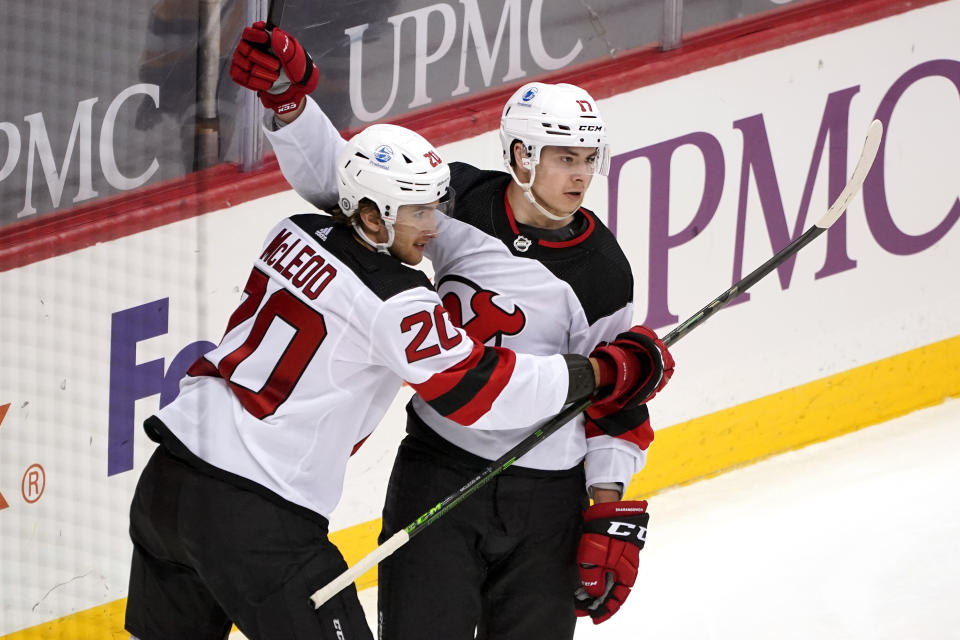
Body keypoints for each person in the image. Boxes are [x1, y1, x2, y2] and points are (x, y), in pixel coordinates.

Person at [123, 112, 665, 638]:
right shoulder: (397, 302)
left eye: (434, 208)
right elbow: (479, 389)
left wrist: (291, 108)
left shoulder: (291, 232)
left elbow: (342, 174)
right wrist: (599, 371)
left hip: (167, 481)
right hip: (258, 512)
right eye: (418, 213)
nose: (435, 227)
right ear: (374, 216)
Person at [229, 22, 676, 639]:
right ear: (521, 156)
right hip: (438, 472)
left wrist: (606, 509)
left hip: (547, 502)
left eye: (587, 160)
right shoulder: (460, 199)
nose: (580, 176)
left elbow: (614, 400)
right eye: (563, 158)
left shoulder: (602, 272)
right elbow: (347, 184)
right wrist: (289, 104)